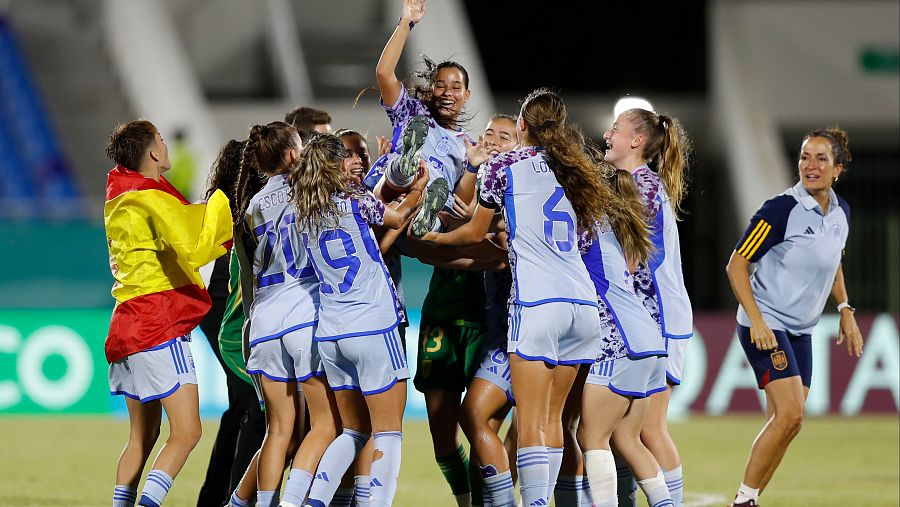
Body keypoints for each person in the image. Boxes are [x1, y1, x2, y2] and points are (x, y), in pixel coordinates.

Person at [420, 88, 607, 507]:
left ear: (522, 126)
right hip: (582, 305)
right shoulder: (576, 169)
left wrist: (427, 236)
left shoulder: (505, 165)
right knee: (556, 419)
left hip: (538, 305)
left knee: (534, 419)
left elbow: (472, 233)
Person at [724, 127, 863, 507]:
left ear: (838, 168)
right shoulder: (780, 209)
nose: (810, 165)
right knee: (790, 415)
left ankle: (749, 499)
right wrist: (758, 321)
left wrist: (845, 308)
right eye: (804, 156)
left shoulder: (841, 213)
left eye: (821, 158)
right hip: (767, 321)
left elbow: (833, 262)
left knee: (787, 425)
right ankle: (743, 501)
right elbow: (736, 266)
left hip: (801, 330)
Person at [291, 133, 427, 507]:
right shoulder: (354, 200)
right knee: (387, 434)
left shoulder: (303, 212)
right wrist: (419, 189)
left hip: (332, 332)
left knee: (352, 430)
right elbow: (397, 217)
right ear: (335, 166)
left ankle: (315, 501)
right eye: (346, 160)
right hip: (372, 325)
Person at [104, 120, 232, 507]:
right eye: (160, 139)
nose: (165, 144)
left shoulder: (120, 197)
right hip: (157, 323)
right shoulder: (150, 198)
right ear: (155, 153)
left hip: (126, 323)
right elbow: (194, 242)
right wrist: (225, 200)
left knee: (140, 438)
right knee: (188, 432)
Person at [602, 108, 694, 505]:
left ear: (637, 141)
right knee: (626, 429)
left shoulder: (643, 188)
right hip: (647, 319)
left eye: (616, 129)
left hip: (658, 319)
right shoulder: (636, 184)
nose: (607, 134)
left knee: (649, 430)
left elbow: (635, 262)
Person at [196, 139, 267, 507]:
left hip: (228, 314)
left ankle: (216, 498)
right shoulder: (233, 207)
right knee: (256, 410)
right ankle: (237, 499)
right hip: (227, 316)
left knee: (241, 410)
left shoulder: (239, 205)